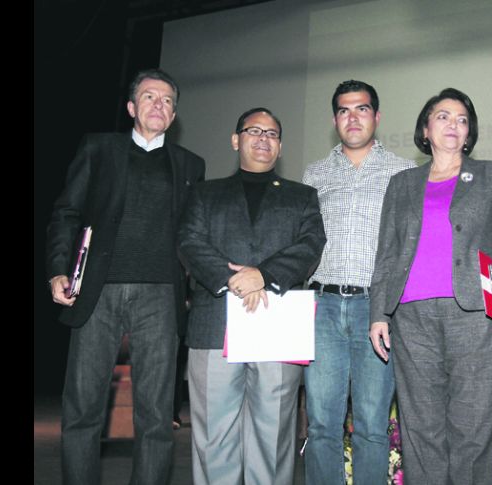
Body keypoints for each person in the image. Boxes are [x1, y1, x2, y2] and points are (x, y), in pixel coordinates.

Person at [369, 88, 492, 485]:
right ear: (426, 129)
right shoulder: (401, 183)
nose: (453, 124)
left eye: (462, 119)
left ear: (469, 134)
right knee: (420, 430)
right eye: (443, 116)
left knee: (474, 429)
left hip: (477, 318)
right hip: (411, 319)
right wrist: (377, 313)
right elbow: (387, 255)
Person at [45, 68, 206, 485]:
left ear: (174, 115)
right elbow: (66, 213)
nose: (160, 105)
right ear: (132, 107)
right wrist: (57, 270)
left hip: (161, 297)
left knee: (155, 415)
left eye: (168, 100)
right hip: (98, 293)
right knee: (82, 410)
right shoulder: (99, 148)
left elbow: (193, 234)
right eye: (151, 97)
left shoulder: (191, 165)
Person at [177, 107, 326, 485]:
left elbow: (311, 245)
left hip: (277, 326)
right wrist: (233, 281)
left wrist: (265, 275)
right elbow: (189, 242)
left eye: (272, 133)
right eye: (254, 131)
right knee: (214, 437)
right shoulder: (204, 193)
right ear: (235, 139)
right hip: (215, 324)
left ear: (280, 145)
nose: (263, 139)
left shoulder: (302, 196)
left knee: (273, 437)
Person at [301, 79, 416, 485]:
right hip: (322, 308)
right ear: (335, 120)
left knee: (370, 423)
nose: (353, 117)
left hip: (378, 310)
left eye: (362, 109)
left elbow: (410, 244)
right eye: (345, 110)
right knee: (321, 424)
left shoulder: (403, 171)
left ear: (377, 116)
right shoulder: (313, 174)